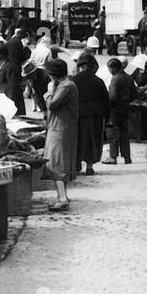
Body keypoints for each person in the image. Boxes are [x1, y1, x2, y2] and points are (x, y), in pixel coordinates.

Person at [43, 58, 78, 211]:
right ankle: (62, 195)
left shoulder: (66, 87)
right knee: (61, 162)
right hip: (61, 127)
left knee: (56, 163)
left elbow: (52, 104)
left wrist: (49, 91)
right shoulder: (66, 85)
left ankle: (62, 199)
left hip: (60, 129)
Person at [73, 51, 110, 175]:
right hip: (95, 116)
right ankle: (89, 167)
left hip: (78, 114)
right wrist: (107, 117)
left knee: (78, 139)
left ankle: (77, 164)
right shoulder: (98, 81)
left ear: (80, 66)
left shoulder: (74, 80)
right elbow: (106, 100)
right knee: (92, 140)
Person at [104, 58, 137, 165]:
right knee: (124, 133)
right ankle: (127, 157)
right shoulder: (129, 78)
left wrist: (107, 106)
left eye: (109, 68)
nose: (109, 71)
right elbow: (134, 94)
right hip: (125, 108)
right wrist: (126, 101)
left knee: (113, 132)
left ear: (113, 68)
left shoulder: (115, 78)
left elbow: (112, 97)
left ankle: (113, 157)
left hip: (115, 109)